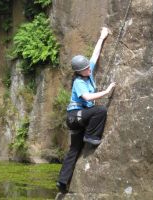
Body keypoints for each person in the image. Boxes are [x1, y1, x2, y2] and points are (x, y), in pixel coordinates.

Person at [56, 27, 116, 193]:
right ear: (79, 71)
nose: (89, 69)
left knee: (74, 149)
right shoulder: (78, 82)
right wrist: (107, 91)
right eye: (86, 69)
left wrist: (102, 36)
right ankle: (90, 136)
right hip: (75, 117)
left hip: (79, 119)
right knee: (100, 110)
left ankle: (62, 182)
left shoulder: (87, 72)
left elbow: (95, 55)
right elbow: (88, 98)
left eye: (88, 68)